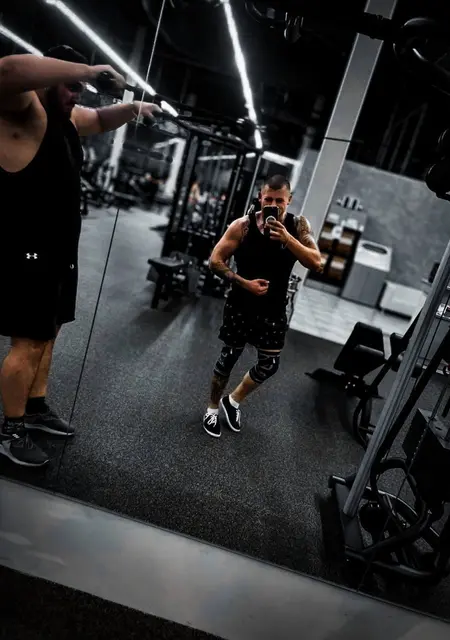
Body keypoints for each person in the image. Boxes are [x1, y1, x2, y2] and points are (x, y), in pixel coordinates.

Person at [0, 45, 161, 467]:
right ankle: (10, 431)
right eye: (70, 87)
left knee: (47, 332)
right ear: (50, 78)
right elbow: (9, 69)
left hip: (57, 250)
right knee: (28, 341)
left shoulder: (67, 118)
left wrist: (134, 108)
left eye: (80, 89)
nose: (77, 95)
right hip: (26, 249)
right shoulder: (22, 109)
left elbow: (102, 119)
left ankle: (34, 408)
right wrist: (89, 71)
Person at [203, 175, 322, 438]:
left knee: (269, 365)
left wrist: (288, 238)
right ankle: (211, 409)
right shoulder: (242, 226)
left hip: (273, 308)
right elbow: (215, 261)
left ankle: (233, 401)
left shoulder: (298, 226)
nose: (273, 205)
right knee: (228, 358)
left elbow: (317, 263)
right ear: (260, 198)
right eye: (268, 199)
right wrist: (243, 283)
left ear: (289, 200)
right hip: (240, 305)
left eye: (279, 200)